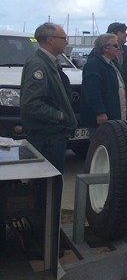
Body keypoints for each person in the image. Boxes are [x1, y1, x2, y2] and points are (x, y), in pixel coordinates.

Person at [20, 22, 77, 173]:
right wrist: (60, 116)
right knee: (48, 185)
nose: (66, 42)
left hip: (54, 135)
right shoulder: (38, 65)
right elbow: (31, 104)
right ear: (50, 40)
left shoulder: (50, 63)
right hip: (47, 137)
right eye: (64, 38)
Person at [80, 33, 127, 132]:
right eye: (115, 46)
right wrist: (100, 111)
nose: (118, 48)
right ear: (105, 48)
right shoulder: (93, 65)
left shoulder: (113, 64)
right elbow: (92, 91)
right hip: (102, 121)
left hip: (116, 119)